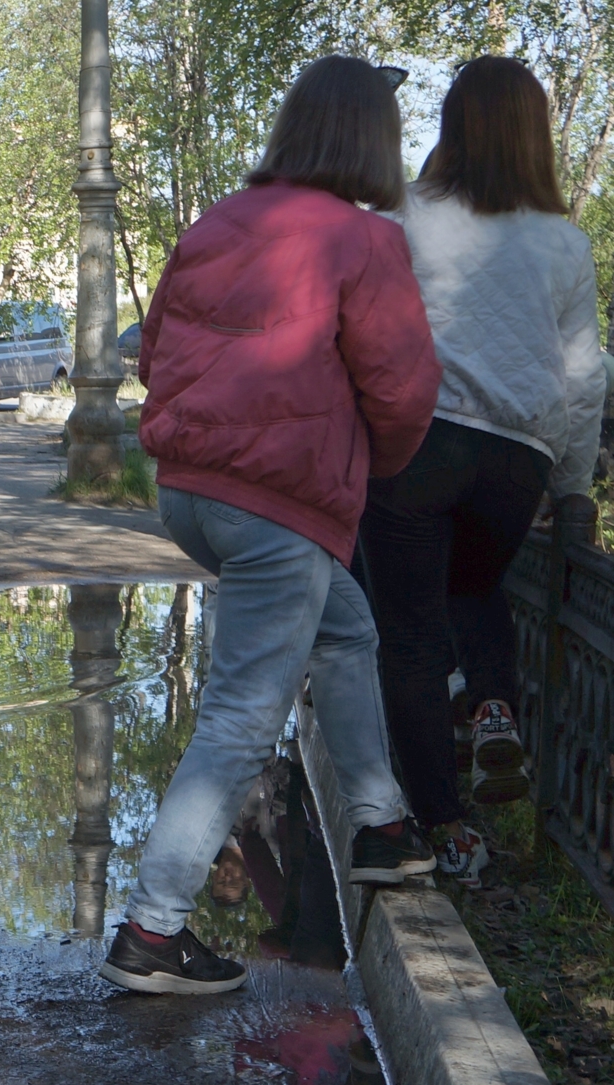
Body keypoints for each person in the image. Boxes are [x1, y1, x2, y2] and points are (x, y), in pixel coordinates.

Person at [103, 56, 443, 996]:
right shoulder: (365, 239)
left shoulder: (220, 220)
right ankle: (152, 931)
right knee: (240, 725)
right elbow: (404, 387)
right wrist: (370, 468)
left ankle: (377, 823)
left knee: (347, 630)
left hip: (194, 493)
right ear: (375, 139)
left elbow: (158, 343)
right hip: (277, 508)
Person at [356, 57, 605, 887]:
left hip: (419, 447)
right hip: (517, 461)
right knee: (472, 582)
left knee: (413, 638)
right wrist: (574, 489)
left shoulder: (404, 214)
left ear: (450, 127)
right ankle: (494, 701)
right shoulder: (566, 244)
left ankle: (449, 829)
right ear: (536, 137)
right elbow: (583, 378)